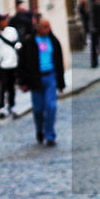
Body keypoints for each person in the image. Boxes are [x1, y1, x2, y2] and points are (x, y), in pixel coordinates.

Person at [18, 16, 65, 145]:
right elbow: (22, 63)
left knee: (51, 106)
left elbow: (59, 62)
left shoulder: (53, 41)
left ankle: (50, 135)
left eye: (49, 26)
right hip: (35, 79)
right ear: (38, 27)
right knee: (38, 109)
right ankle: (40, 130)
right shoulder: (29, 42)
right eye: (45, 26)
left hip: (50, 76)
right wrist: (23, 82)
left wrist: (61, 82)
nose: (48, 29)